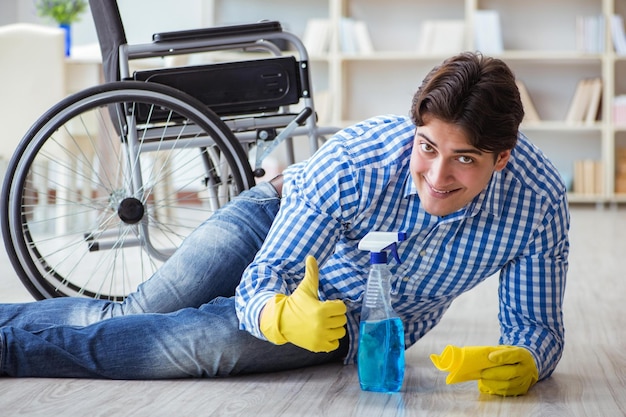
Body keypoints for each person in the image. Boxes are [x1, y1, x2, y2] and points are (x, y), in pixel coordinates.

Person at [0, 52, 569, 396]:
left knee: (197, 346)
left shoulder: (538, 205)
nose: (438, 176)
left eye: (465, 159)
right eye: (427, 148)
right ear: (414, 129)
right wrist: (276, 311)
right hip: (272, 220)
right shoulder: (358, 163)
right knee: (139, 311)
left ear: (504, 155)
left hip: (348, 322)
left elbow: (536, 326)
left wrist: (525, 359)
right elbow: (265, 276)